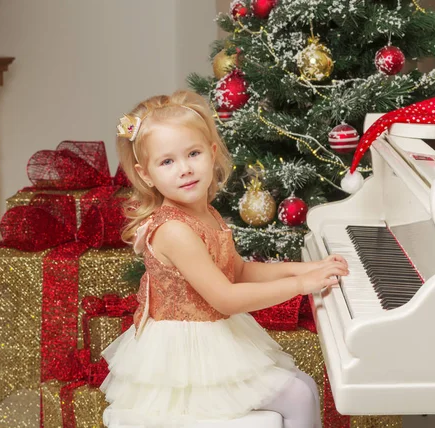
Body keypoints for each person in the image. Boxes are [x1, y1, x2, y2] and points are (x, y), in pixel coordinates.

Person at [100, 90, 349, 428]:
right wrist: (302, 285)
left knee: (303, 385)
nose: (185, 169)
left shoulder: (207, 213)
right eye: (167, 162)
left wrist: (308, 267)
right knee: (300, 395)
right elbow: (226, 298)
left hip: (209, 339)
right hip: (185, 359)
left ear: (212, 154)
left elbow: (240, 270)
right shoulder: (174, 229)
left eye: (193, 153)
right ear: (147, 175)